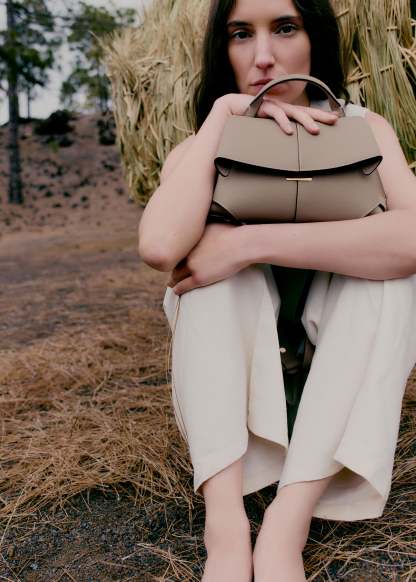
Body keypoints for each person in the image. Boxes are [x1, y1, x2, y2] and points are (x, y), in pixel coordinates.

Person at [137, 0, 416, 580]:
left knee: (393, 282)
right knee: (209, 280)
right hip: (239, 383)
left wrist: (248, 243)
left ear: (315, 39)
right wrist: (222, 117)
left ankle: (287, 527)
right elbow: (161, 246)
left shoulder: (363, 130)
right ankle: (226, 528)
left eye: (285, 28)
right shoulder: (205, 143)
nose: (263, 57)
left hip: (336, 372)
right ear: (223, 50)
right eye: (241, 34)